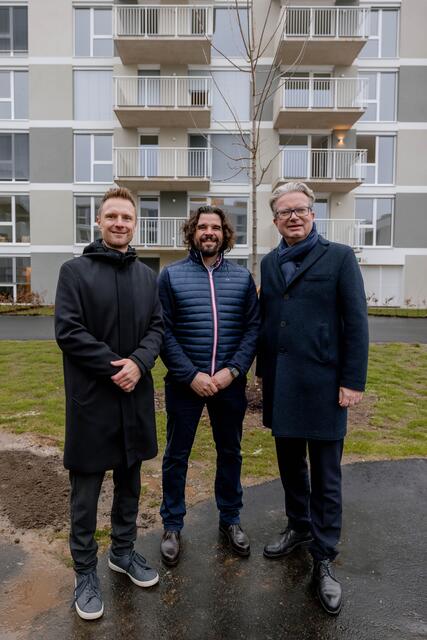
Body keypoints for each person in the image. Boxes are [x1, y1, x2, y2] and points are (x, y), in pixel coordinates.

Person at [258, 182, 369, 615]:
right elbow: (269, 320)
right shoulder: (269, 263)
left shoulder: (339, 258)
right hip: (282, 384)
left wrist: (352, 381)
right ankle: (298, 528)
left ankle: (324, 556)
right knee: (290, 468)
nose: (293, 217)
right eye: (284, 212)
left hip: (325, 386)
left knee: (326, 475)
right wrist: (262, 373)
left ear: (314, 213)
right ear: (275, 220)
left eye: (300, 209)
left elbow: (356, 323)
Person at [55, 187, 163, 620]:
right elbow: (68, 330)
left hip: (134, 399)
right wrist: (115, 366)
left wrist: (139, 363)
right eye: (112, 216)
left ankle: (123, 551)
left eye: (127, 218)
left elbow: (157, 328)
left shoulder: (147, 277)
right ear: (98, 222)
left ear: (135, 224)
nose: (120, 223)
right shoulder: (74, 272)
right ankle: (85, 571)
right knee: (85, 494)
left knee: (130, 483)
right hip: (92, 401)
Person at [158, 205, 260, 566]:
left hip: (229, 384)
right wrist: (191, 375)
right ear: (192, 232)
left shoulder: (242, 278)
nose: (209, 232)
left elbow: (252, 329)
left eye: (215, 227)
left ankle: (230, 519)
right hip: (186, 383)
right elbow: (164, 332)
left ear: (224, 234)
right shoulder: (170, 277)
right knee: (176, 455)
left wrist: (232, 371)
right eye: (202, 227)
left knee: (230, 453)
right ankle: (172, 525)